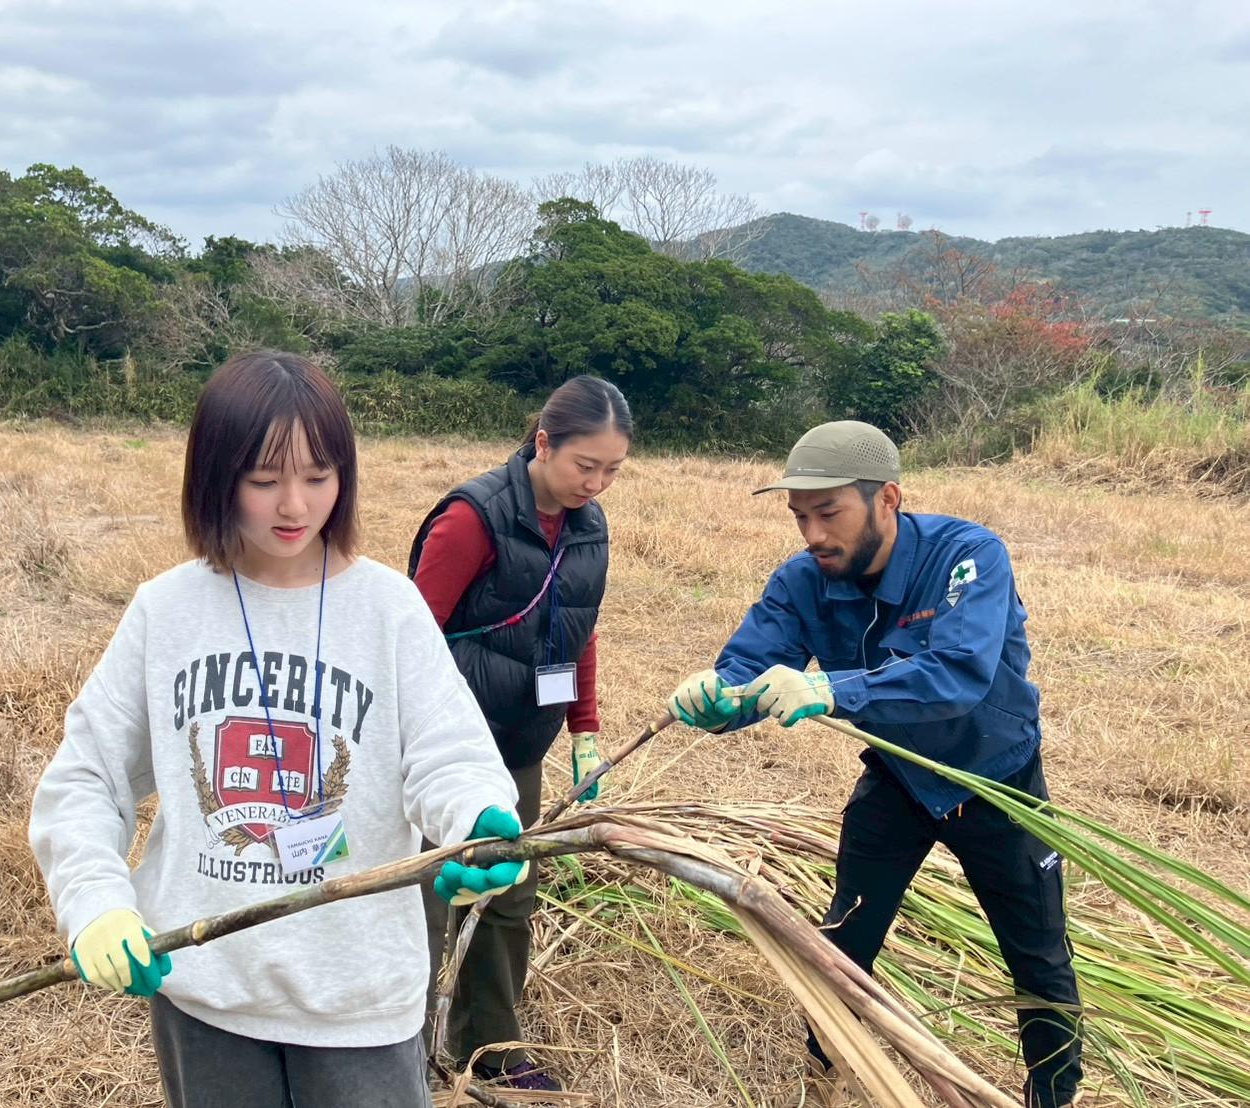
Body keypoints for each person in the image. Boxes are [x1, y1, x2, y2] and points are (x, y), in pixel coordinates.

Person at [28, 351, 527, 1108]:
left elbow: (446, 755)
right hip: (206, 992)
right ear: (214, 477)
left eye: (318, 476)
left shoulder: (386, 610)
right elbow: (87, 776)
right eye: (264, 480)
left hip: (358, 999)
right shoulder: (167, 612)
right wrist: (95, 900)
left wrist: (475, 822)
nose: (294, 505)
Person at [665, 420, 1082, 1108]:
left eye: (828, 513)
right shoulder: (803, 580)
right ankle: (822, 1075)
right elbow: (746, 669)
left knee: (1036, 955)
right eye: (799, 517)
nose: (812, 535)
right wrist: (713, 698)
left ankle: (1052, 1094)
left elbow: (958, 673)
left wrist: (832, 690)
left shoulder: (965, 557)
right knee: (844, 940)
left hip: (994, 779)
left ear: (887, 498)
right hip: (898, 776)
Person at [406, 375, 633, 1091]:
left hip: (518, 747)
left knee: (508, 897)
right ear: (542, 442)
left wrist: (584, 729)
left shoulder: (587, 527)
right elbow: (407, 638)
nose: (594, 484)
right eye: (582, 465)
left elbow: (578, 630)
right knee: (424, 898)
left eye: (611, 471)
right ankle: (394, 1054)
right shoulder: (473, 518)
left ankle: (493, 1050)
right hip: (441, 751)